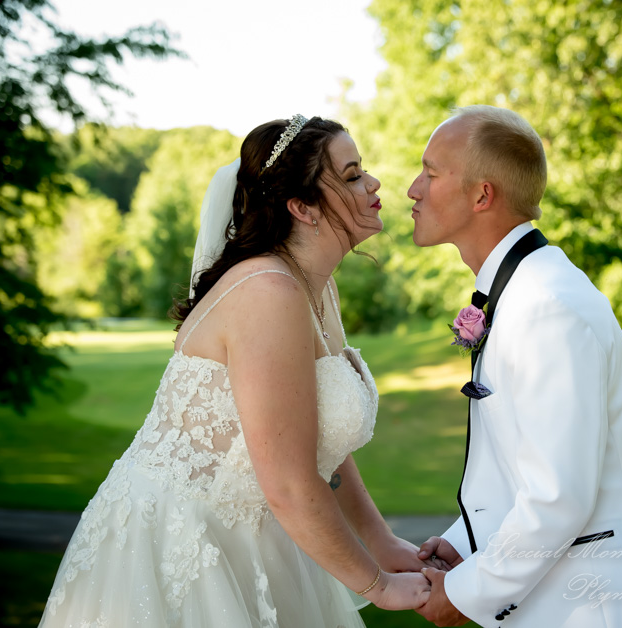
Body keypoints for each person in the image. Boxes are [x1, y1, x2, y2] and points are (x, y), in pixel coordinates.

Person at [40, 115, 431, 627]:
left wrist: (380, 541)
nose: (374, 183)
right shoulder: (268, 292)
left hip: (260, 535)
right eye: (353, 174)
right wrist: (378, 588)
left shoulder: (317, 288)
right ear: (302, 206)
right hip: (183, 543)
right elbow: (289, 483)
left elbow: (315, 441)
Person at [406, 106, 622, 627]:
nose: (413, 189)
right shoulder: (525, 291)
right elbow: (524, 464)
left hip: (605, 605)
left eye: (430, 172)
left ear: (482, 195)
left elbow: (559, 497)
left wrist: (465, 592)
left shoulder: (544, 305)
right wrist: (468, 543)